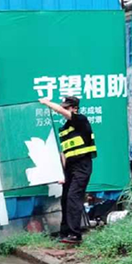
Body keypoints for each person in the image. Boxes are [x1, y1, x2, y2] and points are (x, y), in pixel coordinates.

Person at [39, 96, 97, 245]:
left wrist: (46, 103)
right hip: (70, 167)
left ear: (74, 108)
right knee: (65, 198)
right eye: (63, 107)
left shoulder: (81, 120)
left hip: (82, 165)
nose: (63, 110)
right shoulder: (65, 129)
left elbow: (59, 110)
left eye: (67, 107)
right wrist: (62, 174)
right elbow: (64, 153)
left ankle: (75, 235)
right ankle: (64, 232)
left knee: (73, 197)